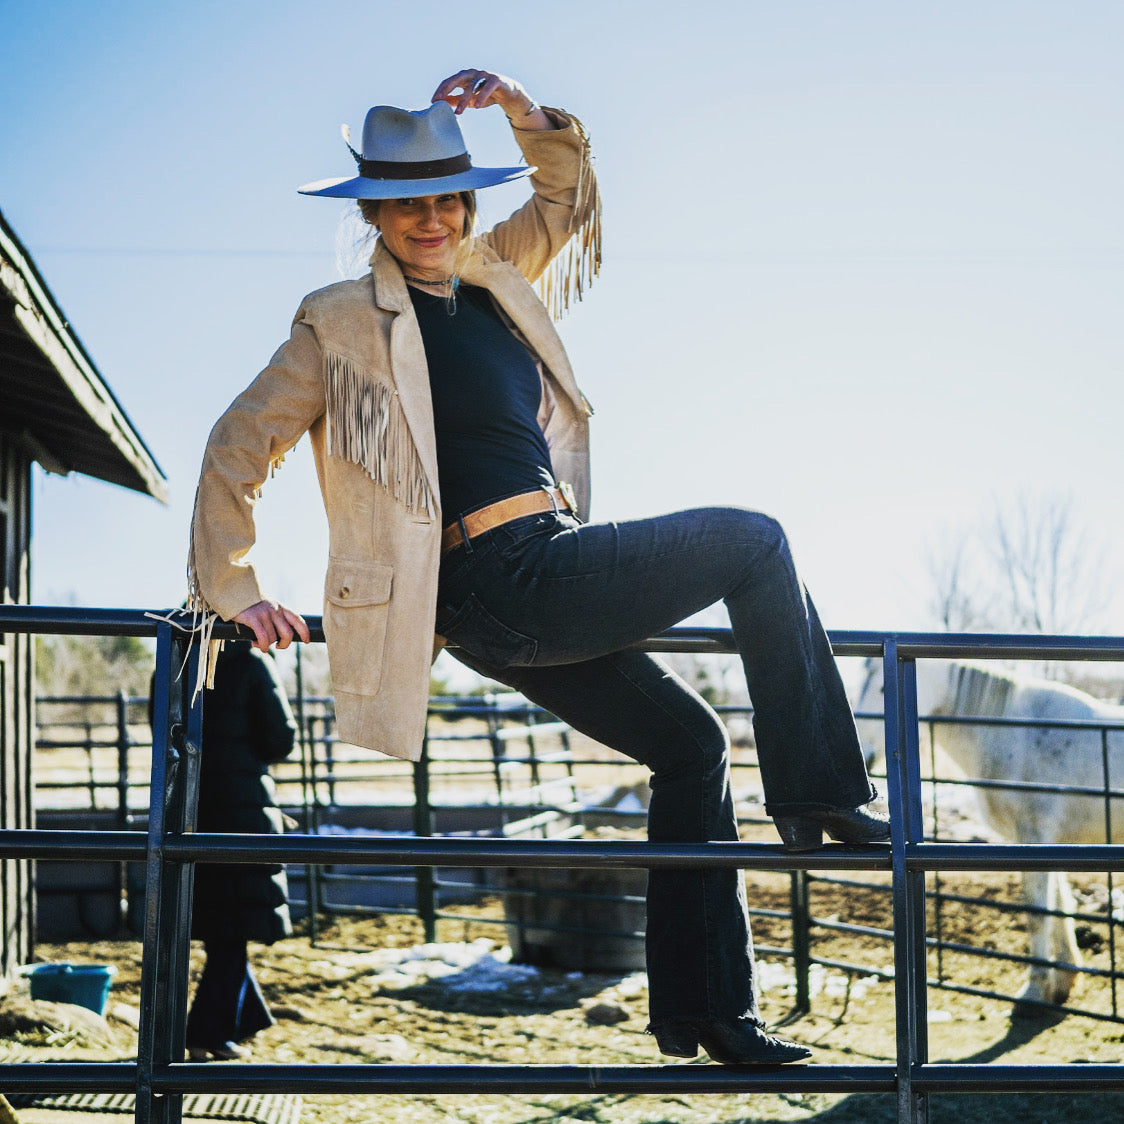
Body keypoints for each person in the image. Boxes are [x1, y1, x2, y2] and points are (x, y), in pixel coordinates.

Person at [188, 68, 889, 1065]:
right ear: (375, 213)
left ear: (466, 202)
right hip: (489, 576)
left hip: (538, 571)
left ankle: (707, 1013)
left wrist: (525, 117)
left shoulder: (494, 280)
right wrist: (237, 586)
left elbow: (563, 196)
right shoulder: (338, 320)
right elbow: (235, 445)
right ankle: (818, 789)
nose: (430, 219)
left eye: (446, 198)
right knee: (753, 539)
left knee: (690, 747)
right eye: (405, 204)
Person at [152, 638, 298, 1060]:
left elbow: (162, 736)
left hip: (188, 807)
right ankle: (205, 1035)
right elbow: (280, 739)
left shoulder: (171, 663)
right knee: (232, 930)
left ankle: (247, 1017)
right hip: (241, 809)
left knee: (220, 924)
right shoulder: (251, 664)